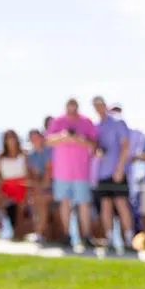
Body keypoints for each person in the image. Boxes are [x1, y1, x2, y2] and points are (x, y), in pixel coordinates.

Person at [45, 98, 97, 249]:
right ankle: (66, 234)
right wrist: (63, 136)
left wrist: (79, 139)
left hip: (81, 171)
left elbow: (93, 144)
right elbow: (48, 140)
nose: (72, 110)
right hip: (62, 172)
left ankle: (86, 236)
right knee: (64, 203)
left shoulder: (86, 122)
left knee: (83, 204)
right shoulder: (58, 121)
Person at [91, 97, 134, 251]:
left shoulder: (117, 122)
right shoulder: (96, 126)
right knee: (106, 205)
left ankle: (129, 239)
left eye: (100, 105)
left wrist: (120, 169)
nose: (98, 108)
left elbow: (125, 146)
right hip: (102, 173)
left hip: (117, 172)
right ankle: (109, 239)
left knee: (121, 204)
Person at [0, 129, 28, 239]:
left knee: (20, 208)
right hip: (5, 186)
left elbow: (28, 174)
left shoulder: (23, 155)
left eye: (12, 137)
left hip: (21, 186)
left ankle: (17, 233)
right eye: (8, 138)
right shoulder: (1, 156)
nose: (10, 141)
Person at [25, 128, 53, 243]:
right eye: (32, 138)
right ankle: (38, 232)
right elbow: (33, 174)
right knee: (35, 202)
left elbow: (48, 172)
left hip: (51, 187)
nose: (35, 140)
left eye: (37, 137)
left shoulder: (48, 151)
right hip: (39, 188)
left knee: (40, 202)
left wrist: (41, 188)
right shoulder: (31, 155)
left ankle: (39, 233)